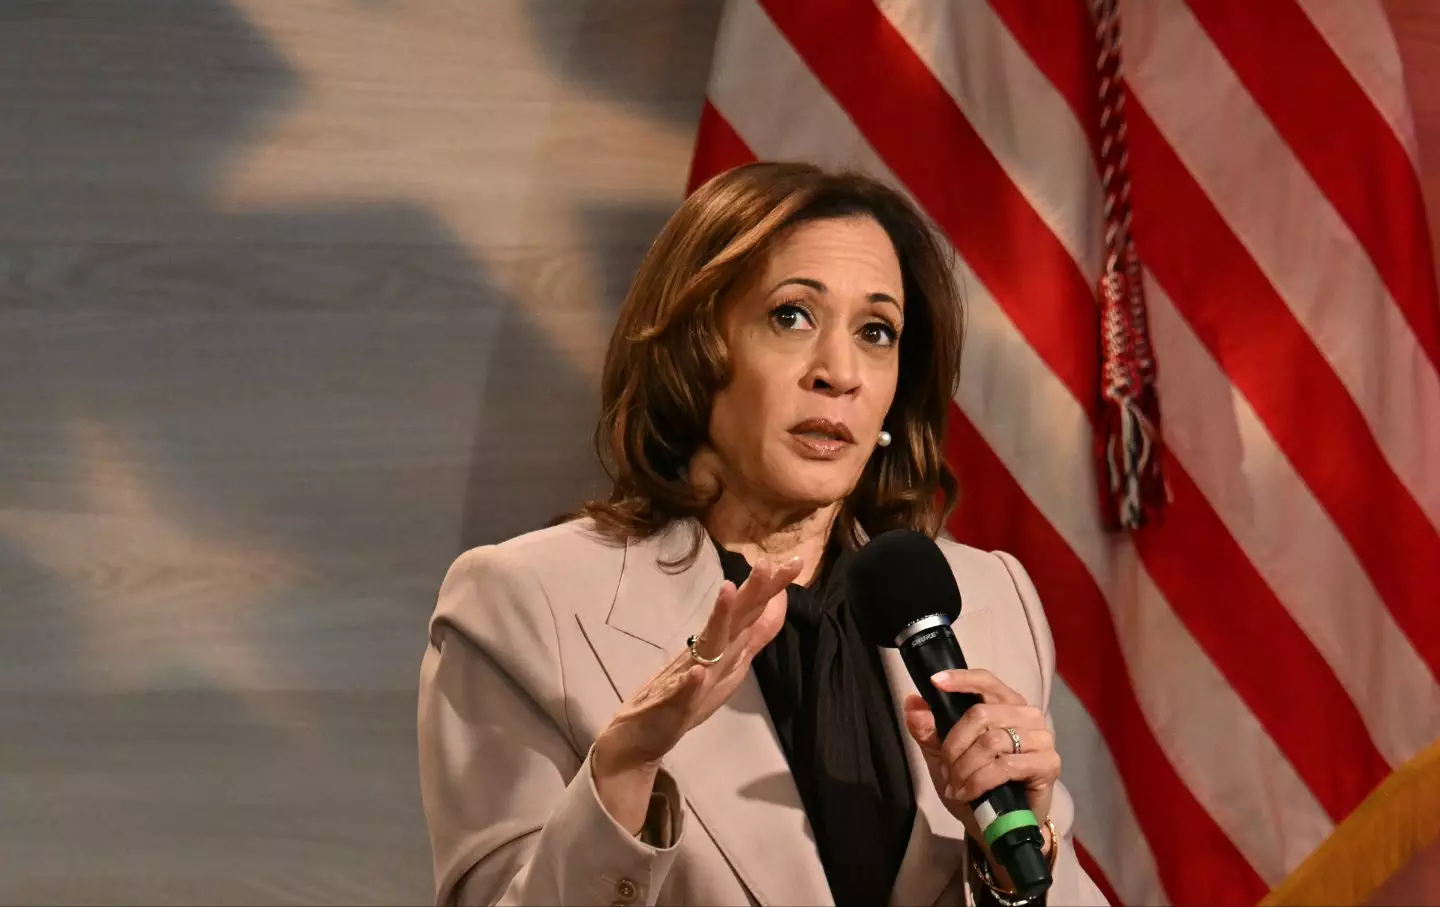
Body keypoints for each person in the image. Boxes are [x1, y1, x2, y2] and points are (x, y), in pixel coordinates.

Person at [417, 161, 1109, 907]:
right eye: (792, 316)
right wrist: (622, 768)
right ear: (696, 350)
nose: (839, 372)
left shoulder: (986, 598)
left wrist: (1016, 866)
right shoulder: (525, 604)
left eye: (877, 331)